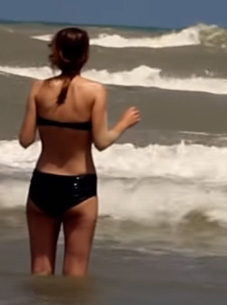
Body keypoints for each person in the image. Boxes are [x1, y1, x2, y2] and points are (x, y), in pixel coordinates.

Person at [17, 27, 141, 276]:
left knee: (40, 271)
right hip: (80, 187)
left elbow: (25, 140)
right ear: (85, 55)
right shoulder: (95, 91)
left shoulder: (38, 88)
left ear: (56, 52)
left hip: (43, 183)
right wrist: (123, 123)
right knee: (75, 275)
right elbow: (101, 142)